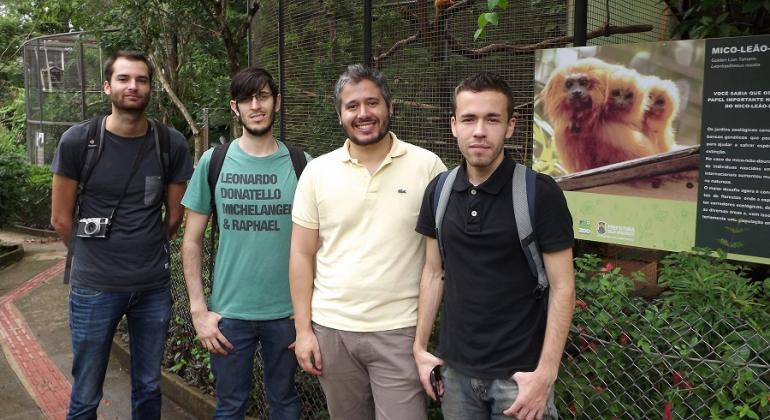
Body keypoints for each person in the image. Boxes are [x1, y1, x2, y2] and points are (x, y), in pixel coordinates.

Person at [412, 72, 576, 420]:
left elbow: (563, 287)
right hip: (455, 373)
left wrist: (545, 375)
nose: (480, 131)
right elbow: (433, 272)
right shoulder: (438, 192)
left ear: (511, 126)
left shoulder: (539, 193)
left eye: (492, 119)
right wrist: (420, 348)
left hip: (519, 378)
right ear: (454, 125)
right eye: (469, 119)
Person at [289, 64, 446, 420]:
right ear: (340, 114)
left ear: (389, 106)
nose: (363, 114)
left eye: (372, 103)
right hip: (332, 331)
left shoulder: (428, 167)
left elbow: (439, 263)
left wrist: (422, 340)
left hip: (400, 332)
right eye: (352, 106)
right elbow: (301, 253)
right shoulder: (317, 172)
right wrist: (303, 331)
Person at [50, 50, 193, 420]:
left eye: (141, 80)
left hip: (152, 289)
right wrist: (93, 258)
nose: (133, 87)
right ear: (107, 86)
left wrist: (144, 248)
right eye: (124, 79)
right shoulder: (78, 141)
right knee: (85, 392)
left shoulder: (170, 143)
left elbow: (175, 215)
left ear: (150, 88)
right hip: (94, 288)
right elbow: (61, 220)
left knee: (148, 386)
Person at [180, 67, 304, 419]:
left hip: (288, 315)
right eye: (247, 99)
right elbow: (191, 242)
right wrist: (199, 311)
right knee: (230, 406)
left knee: (285, 403)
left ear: (276, 102)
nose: (256, 105)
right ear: (235, 107)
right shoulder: (214, 162)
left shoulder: (302, 165)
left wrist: (310, 313)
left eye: (263, 96)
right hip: (228, 316)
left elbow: (322, 243)